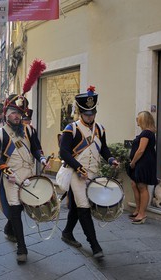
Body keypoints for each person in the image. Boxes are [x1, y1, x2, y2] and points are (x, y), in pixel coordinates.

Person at [60, 86, 119, 258]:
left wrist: (110, 159)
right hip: (76, 174)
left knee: (77, 207)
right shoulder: (71, 128)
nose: (90, 117)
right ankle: (95, 246)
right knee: (84, 207)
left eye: (92, 113)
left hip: (93, 173)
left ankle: (67, 233)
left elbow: (104, 149)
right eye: (87, 114)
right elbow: (63, 152)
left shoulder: (100, 129)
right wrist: (78, 167)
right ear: (80, 112)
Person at [0, 94, 46, 263]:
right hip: (11, 178)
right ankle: (22, 248)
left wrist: (42, 159)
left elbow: (36, 148)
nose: (17, 116)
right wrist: (6, 171)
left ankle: (9, 229)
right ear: (7, 113)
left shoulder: (29, 130)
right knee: (15, 209)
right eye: (14, 112)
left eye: (19, 113)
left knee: (22, 208)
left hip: (28, 176)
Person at [127, 111, 157, 223]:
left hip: (142, 163)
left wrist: (133, 162)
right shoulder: (147, 133)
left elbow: (141, 150)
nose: (137, 121)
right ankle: (138, 210)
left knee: (142, 187)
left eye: (138, 118)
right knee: (135, 184)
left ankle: (142, 214)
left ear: (143, 120)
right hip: (142, 162)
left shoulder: (146, 133)